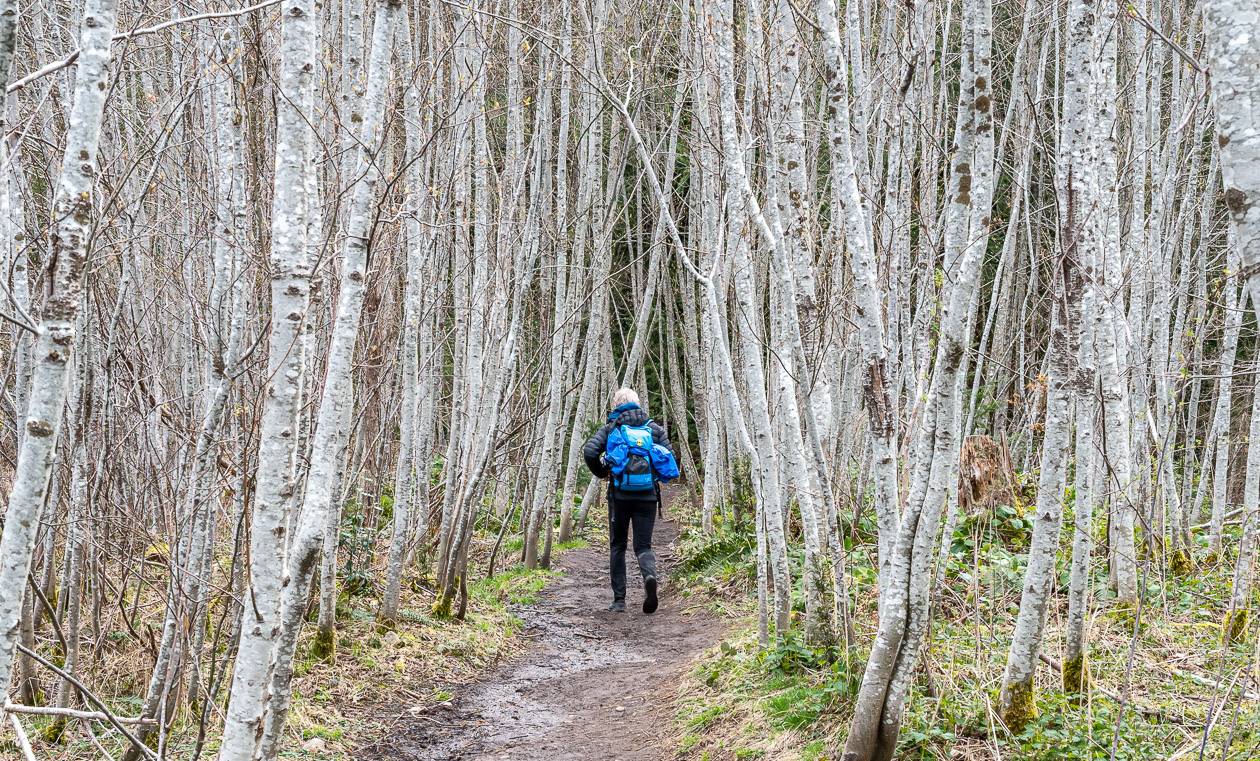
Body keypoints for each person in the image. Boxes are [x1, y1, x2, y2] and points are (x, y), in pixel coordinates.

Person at [582, 387, 672, 614]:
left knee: (618, 545)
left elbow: (590, 451)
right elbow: (669, 455)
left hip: (619, 496)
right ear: (638, 403)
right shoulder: (653, 428)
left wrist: (603, 472)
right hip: (648, 496)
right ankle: (649, 576)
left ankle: (619, 600)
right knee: (643, 545)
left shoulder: (612, 428)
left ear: (617, 405)